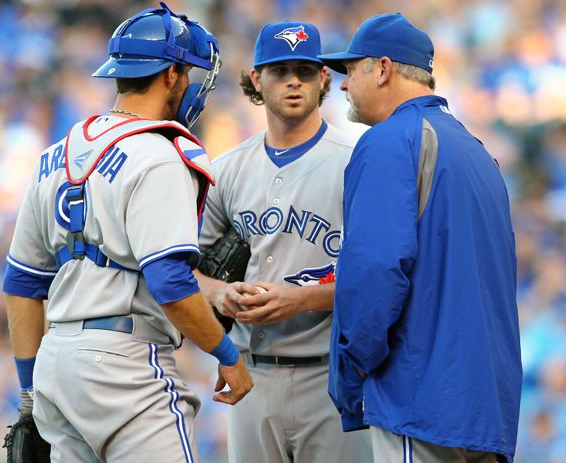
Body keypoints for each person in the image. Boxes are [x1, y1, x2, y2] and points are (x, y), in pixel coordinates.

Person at [3, 5, 252, 462]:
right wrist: (228, 355)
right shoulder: (160, 154)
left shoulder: (54, 155)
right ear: (172, 74)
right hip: (125, 366)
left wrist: (28, 395)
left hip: (56, 364)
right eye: (190, 74)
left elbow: (21, 284)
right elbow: (170, 282)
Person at [318, 12, 522, 463]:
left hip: (419, 400)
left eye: (351, 70)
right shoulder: (478, 151)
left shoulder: (391, 140)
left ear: (384, 68)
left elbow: (375, 271)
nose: (344, 86)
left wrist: (350, 374)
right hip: (486, 408)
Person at [196, 21, 372, 463]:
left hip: (332, 378)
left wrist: (305, 299)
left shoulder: (357, 164)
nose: (294, 80)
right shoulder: (228, 169)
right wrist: (219, 292)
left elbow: (384, 279)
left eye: (305, 70)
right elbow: (182, 269)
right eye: (279, 70)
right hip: (251, 377)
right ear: (256, 79)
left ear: (324, 79)